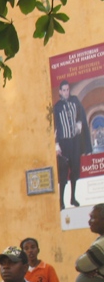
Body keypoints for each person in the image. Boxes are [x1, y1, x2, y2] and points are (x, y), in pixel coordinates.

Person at [54, 79, 91, 209]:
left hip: (75, 141)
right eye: (63, 90)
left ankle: (73, 198)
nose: (66, 92)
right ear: (60, 91)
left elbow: (80, 113)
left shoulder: (75, 101)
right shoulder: (57, 107)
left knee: (75, 170)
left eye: (67, 90)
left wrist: (79, 122)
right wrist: (56, 145)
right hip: (64, 142)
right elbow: (55, 126)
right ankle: (61, 201)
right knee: (63, 172)